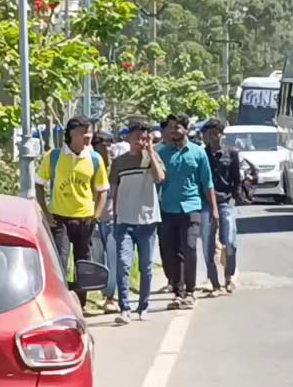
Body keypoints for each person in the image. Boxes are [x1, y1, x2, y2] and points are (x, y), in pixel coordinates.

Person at [34, 116, 109, 313]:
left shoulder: (94, 159)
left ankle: (81, 303)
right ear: (72, 134)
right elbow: (39, 184)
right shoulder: (54, 157)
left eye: (90, 132)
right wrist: (46, 213)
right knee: (60, 259)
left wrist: (97, 216)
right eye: (84, 133)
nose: (89, 137)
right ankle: (60, 301)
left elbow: (103, 190)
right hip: (60, 219)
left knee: (83, 261)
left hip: (85, 219)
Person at [156, 114, 217, 310]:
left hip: (192, 207)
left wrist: (214, 209)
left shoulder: (198, 153)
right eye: (171, 127)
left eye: (177, 128)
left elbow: (207, 183)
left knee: (189, 247)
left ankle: (190, 291)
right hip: (167, 209)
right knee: (171, 252)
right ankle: (177, 292)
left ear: (186, 130)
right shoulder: (162, 154)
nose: (173, 131)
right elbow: (156, 181)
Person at [108, 120, 166, 324]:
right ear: (128, 138)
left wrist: (151, 152)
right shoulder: (119, 162)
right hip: (124, 220)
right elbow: (113, 191)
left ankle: (144, 306)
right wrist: (113, 216)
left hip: (148, 220)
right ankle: (125, 307)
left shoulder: (153, 158)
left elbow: (160, 179)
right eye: (138, 137)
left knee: (146, 266)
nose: (141, 141)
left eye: (145, 137)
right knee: (123, 264)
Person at [200, 119, 256, 295]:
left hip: (225, 201)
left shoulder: (231, 153)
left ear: (221, 135)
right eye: (210, 134)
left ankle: (229, 276)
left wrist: (235, 197)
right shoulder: (202, 154)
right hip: (206, 203)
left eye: (216, 133)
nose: (213, 137)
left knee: (229, 242)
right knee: (208, 243)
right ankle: (213, 281)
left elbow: (237, 180)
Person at [90, 131, 120, 315]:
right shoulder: (89, 165)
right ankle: (102, 293)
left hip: (114, 220)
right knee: (97, 259)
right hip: (93, 220)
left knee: (113, 258)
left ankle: (111, 297)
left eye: (110, 144)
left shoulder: (115, 166)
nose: (107, 149)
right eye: (103, 145)